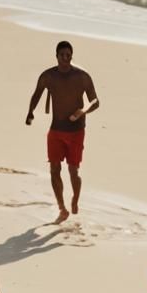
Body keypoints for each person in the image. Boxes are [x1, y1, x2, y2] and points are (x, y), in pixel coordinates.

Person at [25, 41, 99, 224]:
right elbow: (37, 94)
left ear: (72, 56)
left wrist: (82, 112)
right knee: (54, 169)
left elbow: (95, 101)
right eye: (62, 55)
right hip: (56, 130)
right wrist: (30, 112)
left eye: (68, 55)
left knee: (73, 171)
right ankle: (61, 207)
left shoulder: (82, 76)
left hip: (76, 131)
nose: (65, 58)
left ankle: (75, 198)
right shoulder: (48, 76)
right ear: (56, 56)